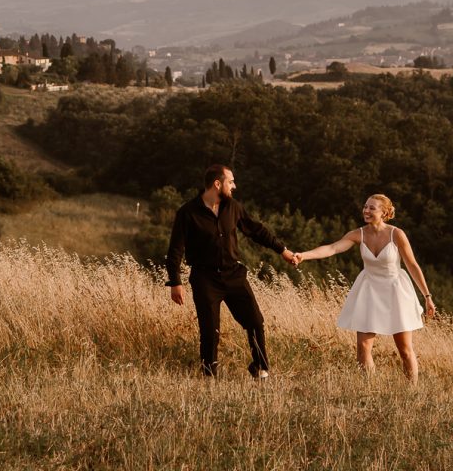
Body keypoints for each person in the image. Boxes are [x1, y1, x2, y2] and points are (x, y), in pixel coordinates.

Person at [165, 164, 298, 378]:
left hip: (234, 274)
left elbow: (256, 231)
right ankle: (209, 375)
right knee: (210, 331)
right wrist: (175, 282)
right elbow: (175, 250)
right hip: (205, 278)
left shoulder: (233, 207)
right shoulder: (187, 213)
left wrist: (282, 250)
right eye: (231, 182)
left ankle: (260, 368)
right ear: (217, 184)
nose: (234, 186)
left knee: (255, 321)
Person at [294, 194, 435, 383]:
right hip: (370, 292)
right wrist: (304, 255)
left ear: (384, 212)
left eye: (372, 208)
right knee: (363, 347)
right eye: (365, 207)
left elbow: (412, 265)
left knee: (404, 350)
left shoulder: (396, 234)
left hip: (395, 292)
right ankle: (370, 388)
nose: (366, 211)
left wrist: (427, 296)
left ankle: (412, 391)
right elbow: (332, 248)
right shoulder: (358, 234)